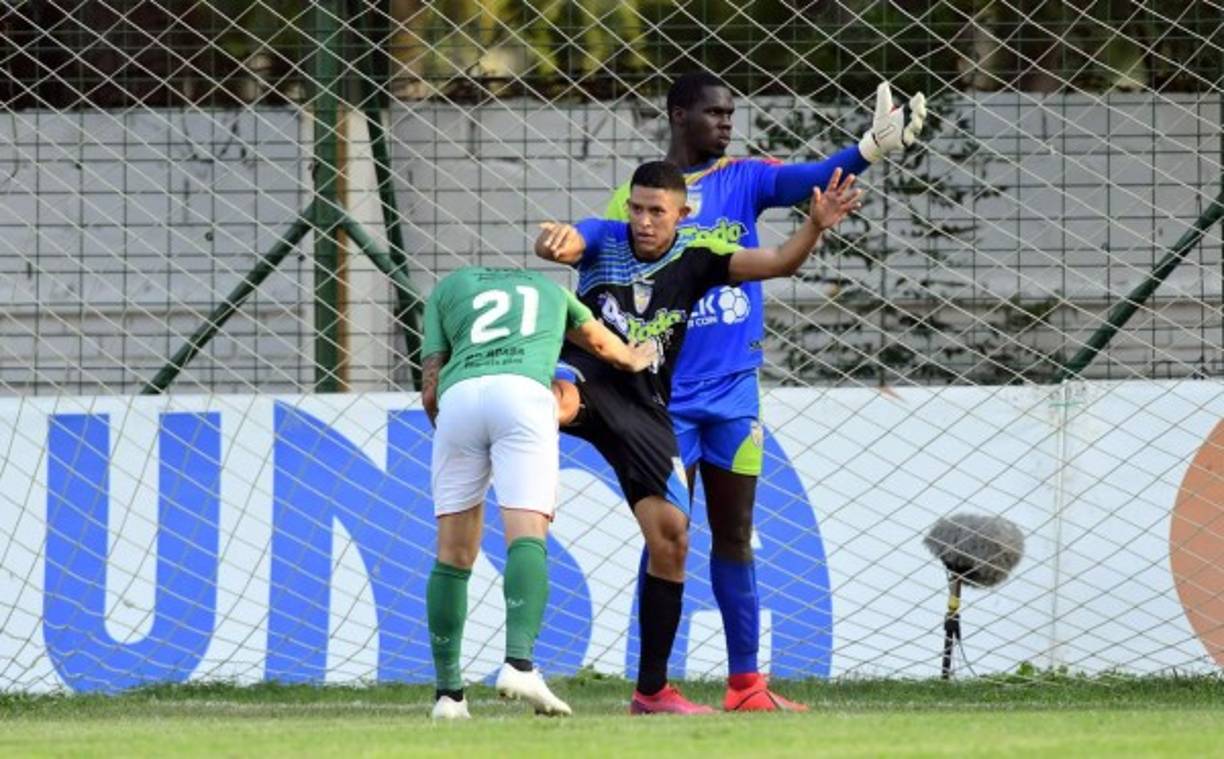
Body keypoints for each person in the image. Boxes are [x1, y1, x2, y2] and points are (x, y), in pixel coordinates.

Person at [598, 72, 927, 711]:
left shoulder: (744, 178)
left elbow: (809, 179)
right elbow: (605, 278)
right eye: (714, 113)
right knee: (666, 537)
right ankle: (652, 687)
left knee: (735, 533)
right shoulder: (636, 200)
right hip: (666, 398)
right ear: (677, 115)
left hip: (734, 393)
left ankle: (746, 685)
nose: (727, 124)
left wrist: (868, 150)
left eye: (731, 113)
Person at [535, 160, 862, 714]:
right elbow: (572, 242)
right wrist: (557, 243)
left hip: (646, 409)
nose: (641, 221)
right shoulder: (604, 239)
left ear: (682, 215)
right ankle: (501, 436)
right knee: (553, 402)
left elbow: (780, 262)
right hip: (592, 382)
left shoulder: (698, 256)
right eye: (636, 208)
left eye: (655, 211)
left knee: (673, 537)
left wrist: (815, 225)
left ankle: (656, 693)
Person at [421, 266, 657, 720]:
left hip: (460, 400)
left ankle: (448, 695)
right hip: (524, 394)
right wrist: (633, 359)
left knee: (452, 554)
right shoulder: (551, 290)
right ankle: (519, 663)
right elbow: (604, 344)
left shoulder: (447, 288)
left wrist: (448, 424)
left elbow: (431, 385)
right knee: (526, 534)